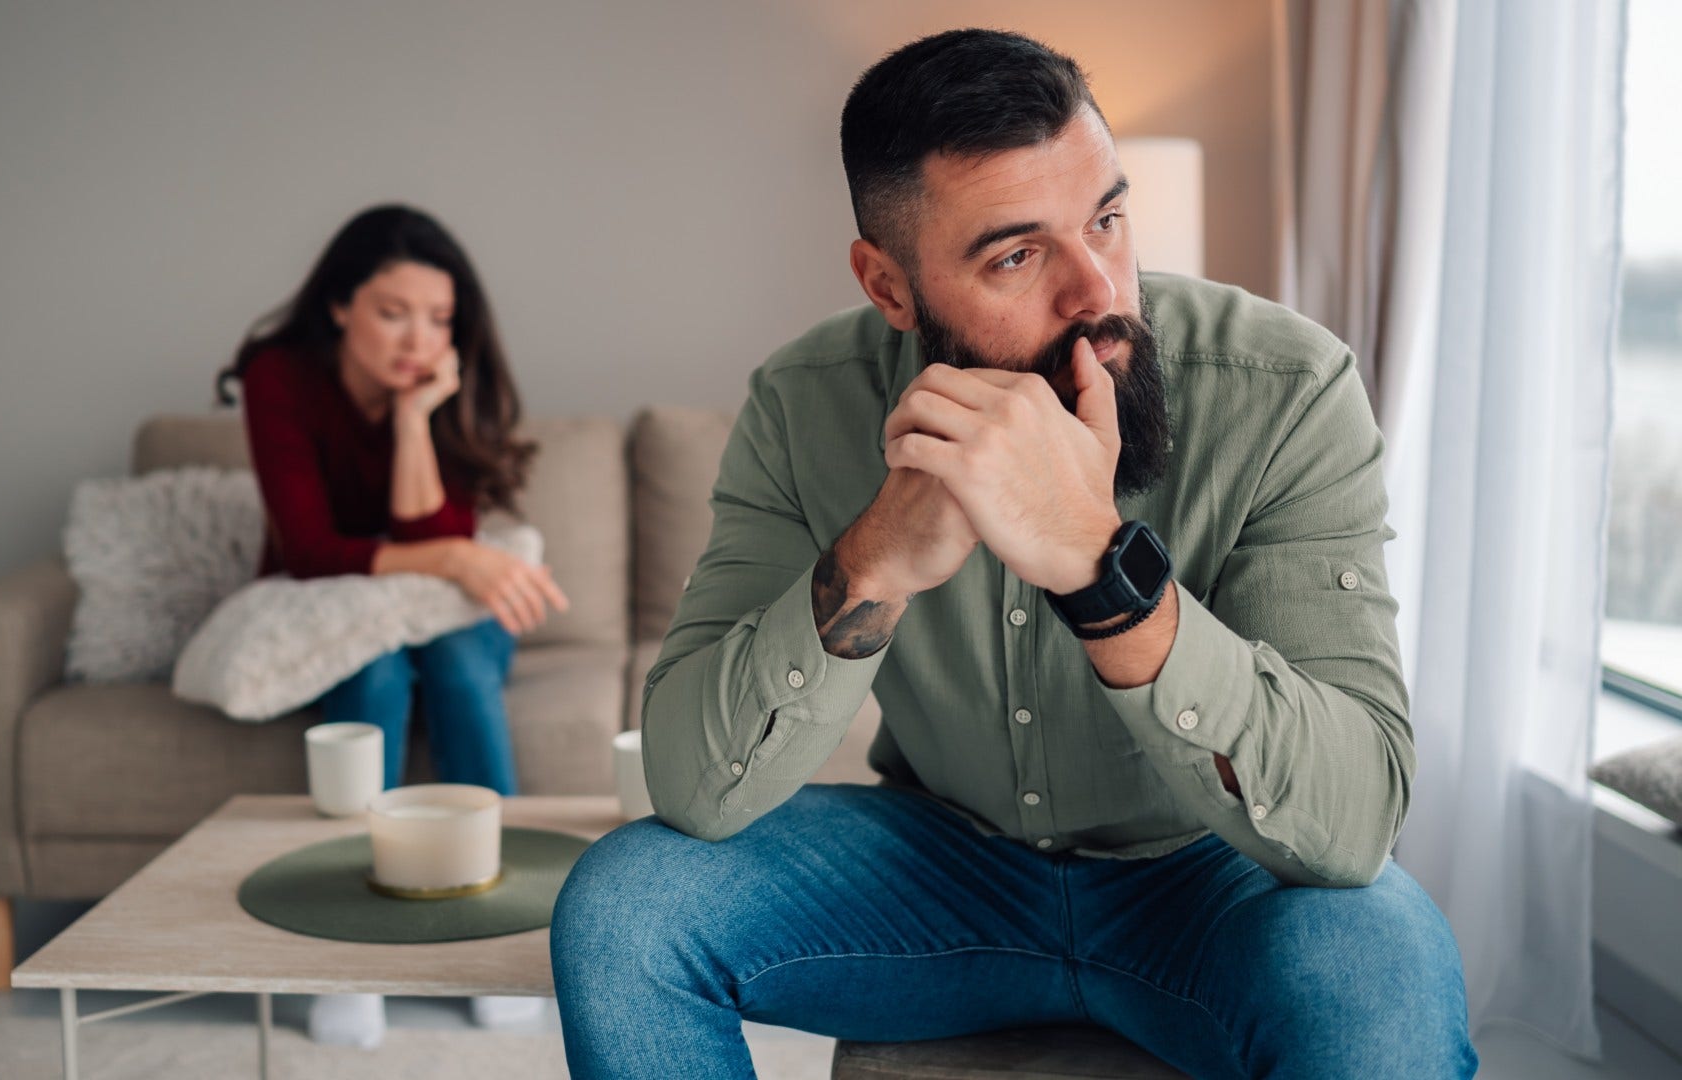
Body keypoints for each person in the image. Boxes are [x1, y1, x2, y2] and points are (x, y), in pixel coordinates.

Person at [549, 29, 1475, 1080]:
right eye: (1018, 255)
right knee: (623, 908)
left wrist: (1101, 568)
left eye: (1109, 220)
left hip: (1211, 884)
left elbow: (1354, 823)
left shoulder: (1287, 391)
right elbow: (693, 787)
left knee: (1389, 969)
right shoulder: (801, 401)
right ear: (890, 288)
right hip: (941, 872)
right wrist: (876, 563)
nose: (1100, 294)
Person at [220, 204, 567, 1046]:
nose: (419, 338)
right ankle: (347, 949)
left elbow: (423, 535)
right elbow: (307, 549)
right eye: (392, 312)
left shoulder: (449, 382)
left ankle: (502, 931)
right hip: (342, 599)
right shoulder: (279, 376)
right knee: (377, 673)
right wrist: (454, 559)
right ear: (341, 304)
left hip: (446, 608)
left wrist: (416, 419)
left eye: (439, 318)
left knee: (452, 661)